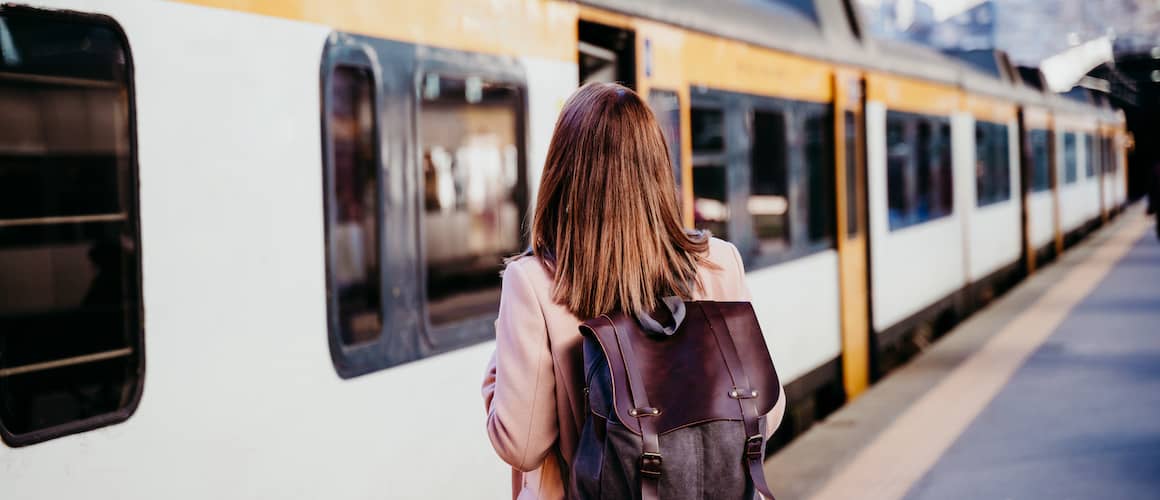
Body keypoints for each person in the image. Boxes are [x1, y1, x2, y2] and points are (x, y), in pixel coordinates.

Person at [481, 82, 786, 500]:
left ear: (562, 173)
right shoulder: (718, 262)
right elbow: (767, 412)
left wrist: (496, 372)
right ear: (659, 167)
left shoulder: (534, 282)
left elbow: (522, 444)